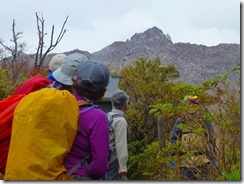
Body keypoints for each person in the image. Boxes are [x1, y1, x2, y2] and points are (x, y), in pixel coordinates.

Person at [64, 60, 110, 180]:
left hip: (51, 174)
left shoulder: (62, 103)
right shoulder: (97, 117)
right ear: (104, 90)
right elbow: (100, 167)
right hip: (76, 175)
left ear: (75, 82)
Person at [168, 95, 217, 180]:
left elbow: (211, 139)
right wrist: (171, 157)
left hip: (203, 161)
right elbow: (173, 139)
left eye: (194, 104)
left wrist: (213, 158)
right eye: (189, 104)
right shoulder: (180, 121)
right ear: (185, 106)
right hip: (185, 162)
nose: (192, 106)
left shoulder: (205, 120)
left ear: (198, 106)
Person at [104, 90, 129, 180]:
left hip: (103, 157)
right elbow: (121, 145)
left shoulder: (106, 116)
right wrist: (123, 167)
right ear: (126, 104)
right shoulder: (120, 121)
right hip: (113, 160)